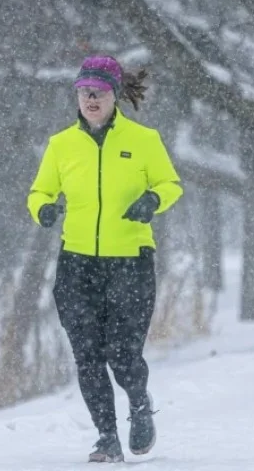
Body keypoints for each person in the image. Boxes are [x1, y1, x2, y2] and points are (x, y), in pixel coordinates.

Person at [26, 55, 183, 463]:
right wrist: (42, 209)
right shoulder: (62, 145)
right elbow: (39, 192)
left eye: (99, 92)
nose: (91, 99)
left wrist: (153, 199)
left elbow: (171, 184)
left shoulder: (143, 140)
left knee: (122, 353)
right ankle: (106, 438)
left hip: (130, 260)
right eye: (84, 92)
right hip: (77, 263)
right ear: (76, 96)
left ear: (115, 95)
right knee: (88, 353)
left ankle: (139, 403)